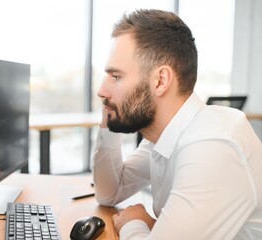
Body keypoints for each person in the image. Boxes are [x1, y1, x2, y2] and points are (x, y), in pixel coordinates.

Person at [92, 9, 262, 239]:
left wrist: (134, 224)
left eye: (116, 77)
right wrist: (109, 123)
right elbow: (109, 193)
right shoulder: (163, 139)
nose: (101, 91)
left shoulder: (212, 144)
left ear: (160, 81)